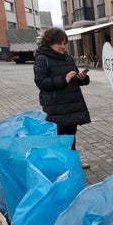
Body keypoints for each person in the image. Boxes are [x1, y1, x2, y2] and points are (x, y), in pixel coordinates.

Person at [34, 27, 91, 169]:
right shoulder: (42, 58)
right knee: (58, 136)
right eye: (60, 43)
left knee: (71, 135)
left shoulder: (67, 57)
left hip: (71, 103)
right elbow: (41, 82)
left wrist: (81, 78)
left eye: (65, 43)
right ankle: (59, 165)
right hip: (55, 105)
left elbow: (75, 77)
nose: (63, 47)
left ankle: (72, 162)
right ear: (50, 42)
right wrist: (63, 80)